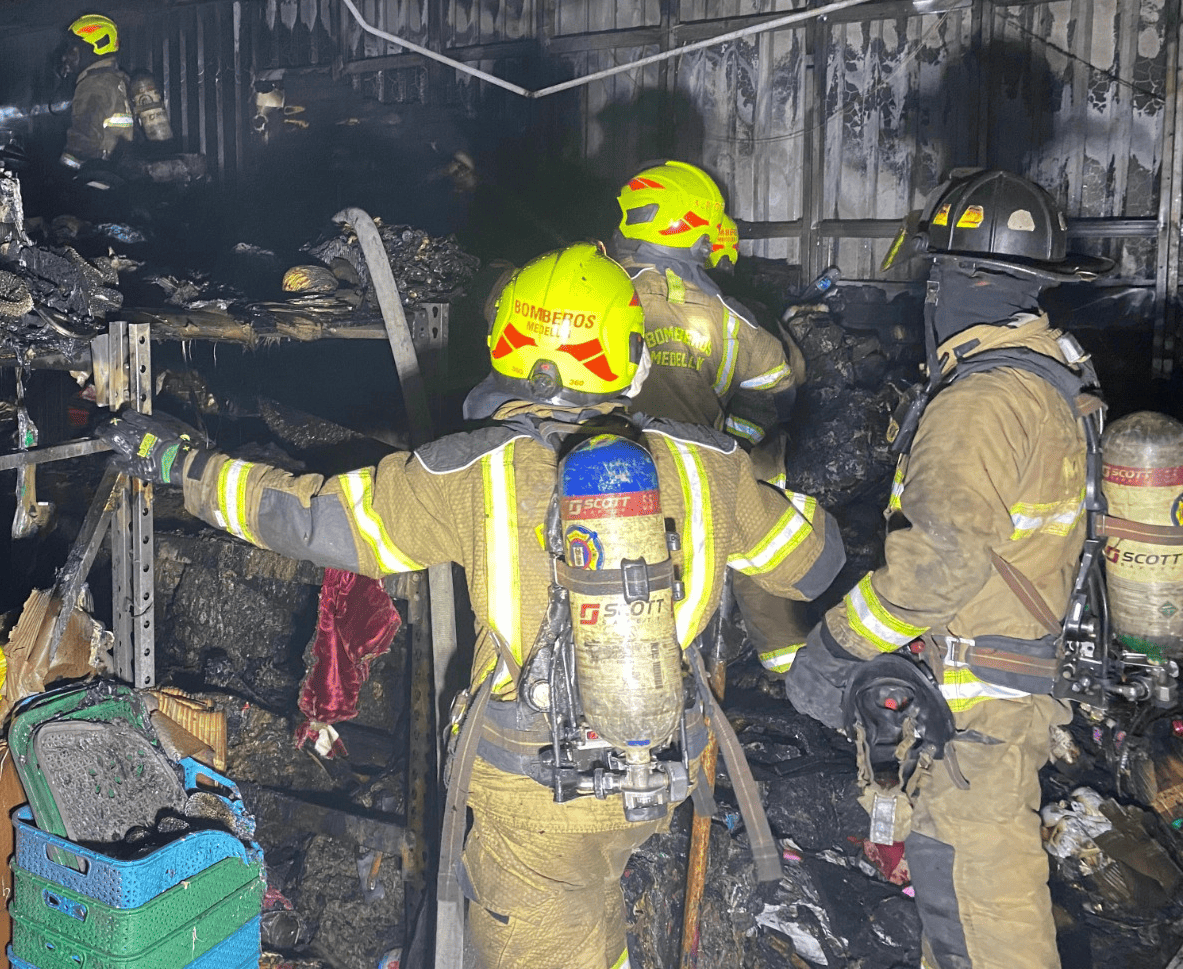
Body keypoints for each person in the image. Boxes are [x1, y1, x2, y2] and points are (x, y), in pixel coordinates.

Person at [100, 243, 845, 969]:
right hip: (658, 775)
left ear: (510, 344)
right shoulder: (705, 463)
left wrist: (183, 465)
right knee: (587, 912)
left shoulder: (473, 470)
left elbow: (310, 516)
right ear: (629, 353)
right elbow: (815, 567)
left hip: (536, 794)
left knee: (541, 939)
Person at [786, 169, 1107, 969]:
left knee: (977, 906)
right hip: (1003, 687)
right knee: (955, 893)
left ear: (956, 279)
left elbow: (946, 557)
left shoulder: (982, 401)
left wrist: (840, 644)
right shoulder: (1050, 377)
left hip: (979, 708)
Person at [609, 160, 811, 675]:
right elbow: (777, 384)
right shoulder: (723, 314)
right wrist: (737, 443)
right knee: (766, 484)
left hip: (602, 482)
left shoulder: (593, 292)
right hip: (699, 481)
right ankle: (785, 660)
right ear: (691, 227)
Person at [59, 14, 135, 183]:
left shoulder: (93, 86)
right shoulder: (117, 79)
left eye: (73, 51)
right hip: (118, 173)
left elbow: (83, 141)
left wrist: (61, 175)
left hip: (99, 174)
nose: (65, 58)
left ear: (92, 49)